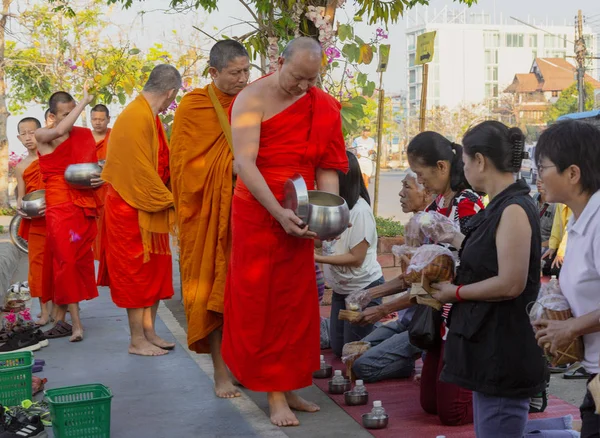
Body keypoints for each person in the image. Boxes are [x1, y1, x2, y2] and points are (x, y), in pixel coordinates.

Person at [221, 37, 348, 427]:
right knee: (264, 303)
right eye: (297, 77)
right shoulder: (250, 99)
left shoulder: (322, 104)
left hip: (301, 209)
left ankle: (292, 386)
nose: (303, 87)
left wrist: (330, 214)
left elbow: (328, 163)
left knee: (297, 303)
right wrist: (277, 211)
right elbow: (244, 163)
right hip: (260, 211)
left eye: (312, 80)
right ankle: (274, 394)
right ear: (279, 61)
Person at [428, 121, 547, 437]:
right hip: (489, 345)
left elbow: (511, 283)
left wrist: (457, 292)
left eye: (465, 162)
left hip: (503, 348)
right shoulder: (500, 205)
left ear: (479, 160)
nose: (464, 169)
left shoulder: (514, 208)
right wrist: (454, 238)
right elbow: (490, 257)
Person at [170, 40, 250, 397]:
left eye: (247, 71)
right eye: (236, 73)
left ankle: (239, 365)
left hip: (244, 214)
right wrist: (229, 169)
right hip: (206, 216)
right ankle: (219, 371)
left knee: (242, 297)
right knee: (210, 295)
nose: (244, 78)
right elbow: (186, 170)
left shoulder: (251, 102)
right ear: (214, 73)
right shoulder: (193, 106)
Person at [98, 65, 180, 356]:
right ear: (170, 93)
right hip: (130, 205)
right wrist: (170, 199)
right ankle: (136, 340)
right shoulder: (135, 115)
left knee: (155, 271)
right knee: (135, 273)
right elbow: (138, 171)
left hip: (149, 204)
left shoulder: (149, 114)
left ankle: (150, 332)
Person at [407, 131, 484, 426]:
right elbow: (426, 258)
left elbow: (477, 259)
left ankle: (508, 401)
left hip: (461, 310)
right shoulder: (435, 205)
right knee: (430, 405)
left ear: (441, 166)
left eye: (420, 174)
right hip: (438, 309)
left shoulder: (468, 203)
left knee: (451, 414)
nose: (419, 181)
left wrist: (451, 241)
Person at [532, 120, 600, 437]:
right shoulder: (578, 219)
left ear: (572, 174)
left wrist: (570, 327)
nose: (537, 177)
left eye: (543, 167)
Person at [34, 88, 102, 342]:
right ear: (52, 116)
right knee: (67, 262)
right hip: (59, 208)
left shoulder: (82, 136)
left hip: (79, 205)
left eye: (72, 112)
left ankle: (62, 320)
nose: (70, 119)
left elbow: (93, 171)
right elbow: (60, 131)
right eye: (65, 113)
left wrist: (97, 181)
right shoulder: (43, 134)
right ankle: (76, 324)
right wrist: (84, 102)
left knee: (76, 259)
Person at [352, 170, 430, 383]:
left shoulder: (434, 229)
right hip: (406, 319)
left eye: (407, 187)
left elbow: (424, 291)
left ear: (427, 192)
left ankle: (407, 361)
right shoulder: (413, 226)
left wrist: (382, 309)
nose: (400, 193)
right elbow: (408, 280)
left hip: (424, 325)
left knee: (362, 366)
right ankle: (401, 358)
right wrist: (368, 294)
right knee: (354, 350)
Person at [315, 151, 384, 357]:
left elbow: (356, 258)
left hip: (363, 290)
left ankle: (381, 330)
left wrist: (317, 258)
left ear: (342, 178)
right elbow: (323, 239)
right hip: (341, 290)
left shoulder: (360, 211)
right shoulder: (333, 207)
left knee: (352, 352)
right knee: (338, 349)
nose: (320, 182)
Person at [15, 117, 50, 325]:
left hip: (55, 217)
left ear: (41, 132)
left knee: (57, 265)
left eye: (32, 132)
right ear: (18, 138)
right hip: (35, 221)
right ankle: (44, 311)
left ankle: (60, 308)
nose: (28, 138)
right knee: (37, 267)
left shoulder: (50, 156)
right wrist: (20, 206)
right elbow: (21, 194)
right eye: (23, 134)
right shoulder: (21, 167)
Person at [90, 104, 111, 260]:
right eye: (94, 119)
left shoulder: (115, 136)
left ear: (108, 119)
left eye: (101, 119)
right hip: (91, 190)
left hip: (111, 189)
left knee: (112, 229)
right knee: (95, 229)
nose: (97, 123)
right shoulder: (85, 138)